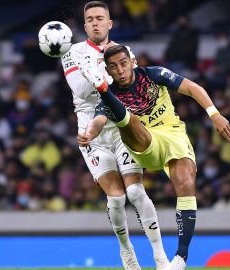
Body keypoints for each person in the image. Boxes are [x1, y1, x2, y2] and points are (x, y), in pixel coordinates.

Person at [77, 45, 230, 270]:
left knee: (186, 183)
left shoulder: (154, 74)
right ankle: (105, 92)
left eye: (123, 63)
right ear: (108, 72)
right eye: (113, 67)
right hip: (144, 142)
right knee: (129, 119)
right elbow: (98, 121)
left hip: (173, 135)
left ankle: (180, 259)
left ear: (132, 62)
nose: (120, 70)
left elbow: (191, 87)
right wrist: (88, 135)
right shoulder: (110, 99)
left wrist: (214, 114)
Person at [60, 2, 168, 270]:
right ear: (85, 26)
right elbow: (82, 90)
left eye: (100, 18)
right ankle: (126, 251)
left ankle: (159, 255)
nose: (95, 23)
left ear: (110, 23)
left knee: (135, 190)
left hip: (122, 127)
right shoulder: (71, 52)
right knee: (117, 198)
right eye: (89, 19)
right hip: (92, 133)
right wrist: (100, 66)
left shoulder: (124, 52)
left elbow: (129, 85)